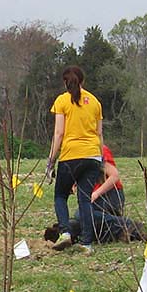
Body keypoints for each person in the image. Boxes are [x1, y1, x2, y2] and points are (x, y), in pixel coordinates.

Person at [46, 66, 104, 254]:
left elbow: (59, 132)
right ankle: (87, 243)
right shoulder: (95, 102)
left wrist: (51, 161)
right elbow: (100, 133)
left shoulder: (62, 101)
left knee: (60, 195)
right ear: (83, 82)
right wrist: (101, 160)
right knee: (84, 200)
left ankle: (65, 232)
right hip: (93, 156)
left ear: (65, 82)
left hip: (71, 155)